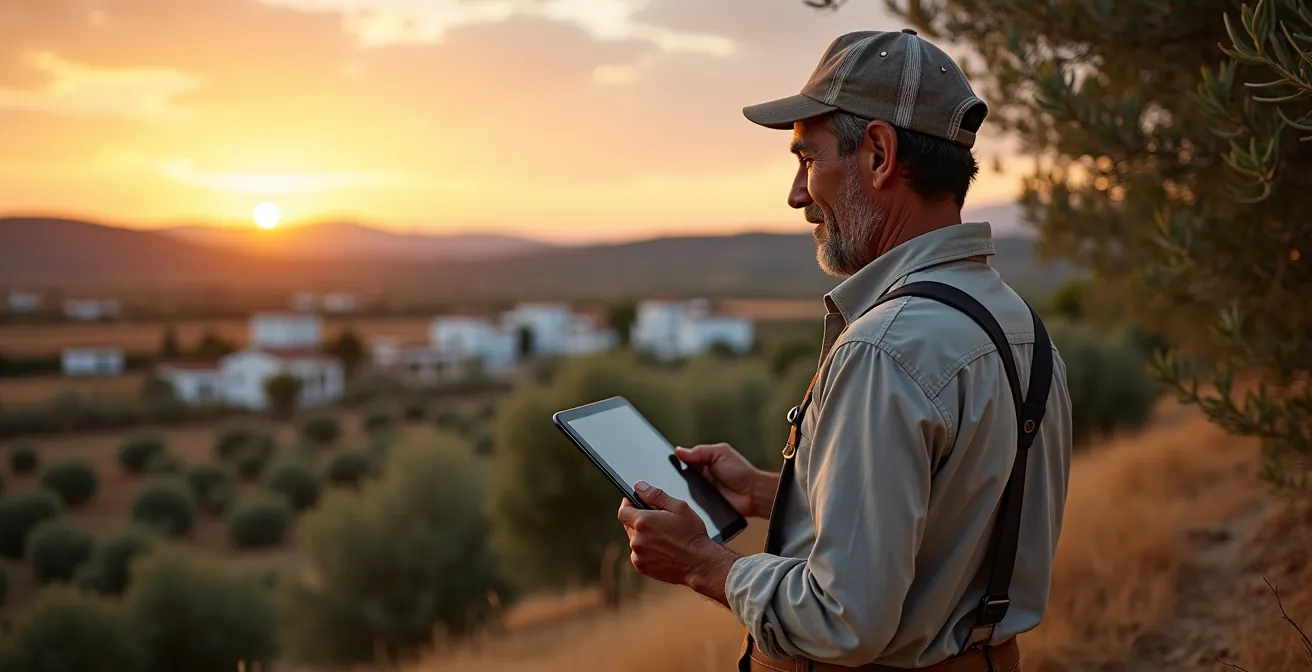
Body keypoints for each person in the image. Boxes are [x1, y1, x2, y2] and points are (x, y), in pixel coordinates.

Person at [616, 29, 1074, 671]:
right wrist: (770, 494)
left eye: (808, 159)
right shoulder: (1020, 325)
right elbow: (944, 523)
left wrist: (702, 564)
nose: (797, 195)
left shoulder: (884, 351)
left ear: (880, 154)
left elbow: (843, 619)